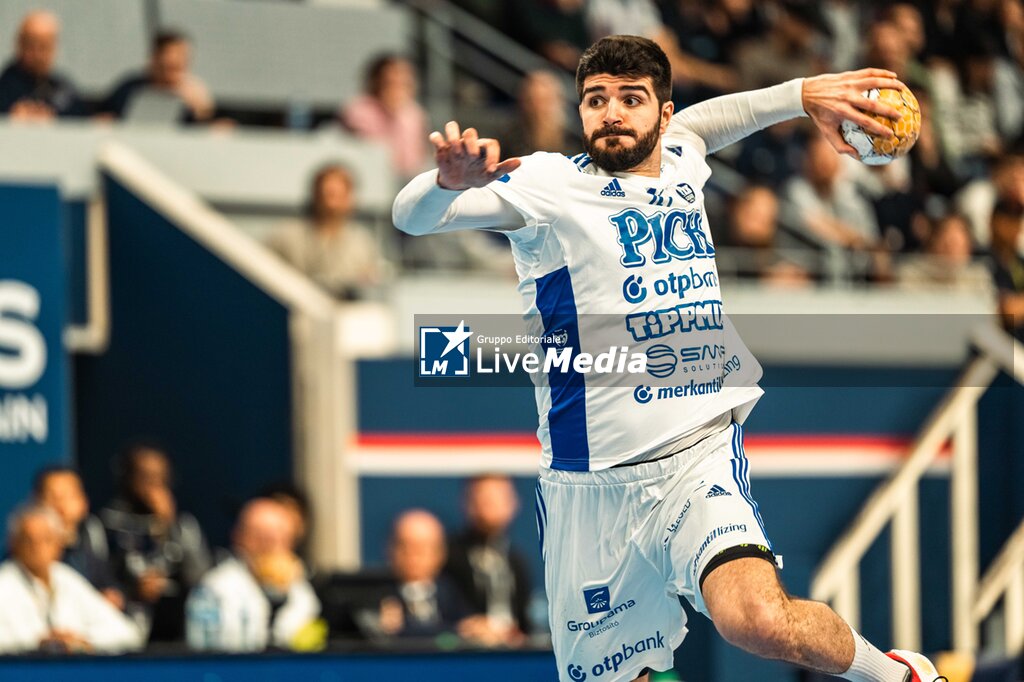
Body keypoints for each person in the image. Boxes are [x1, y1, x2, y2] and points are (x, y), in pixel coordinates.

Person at [393, 34, 944, 682]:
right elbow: (412, 218)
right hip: (587, 488)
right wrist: (443, 182)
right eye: (596, 100)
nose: (613, 113)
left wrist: (802, 95)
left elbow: (714, 120)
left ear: (663, 112)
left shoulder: (683, 155)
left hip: (696, 458)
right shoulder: (547, 183)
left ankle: (902, 675)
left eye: (632, 99)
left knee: (758, 620)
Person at [101, 444, 211, 642]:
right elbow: (100, 582)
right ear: (127, 478)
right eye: (145, 477)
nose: (153, 486)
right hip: (124, 628)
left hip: (178, 629)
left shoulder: (183, 526)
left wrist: (169, 525)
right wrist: (132, 591)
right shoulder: (107, 524)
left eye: (160, 478)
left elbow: (202, 580)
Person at [0, 504, 141, 654]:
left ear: (59, 544)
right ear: (14, 544)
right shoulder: (4, 584)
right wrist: (38, 644)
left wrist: (83, 641)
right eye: (29, 540)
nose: (37, 548)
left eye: (46, 539)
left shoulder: (67, 579)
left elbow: (128, 634)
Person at [186, 498, 320, 652]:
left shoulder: (302, 591)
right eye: (262, 538)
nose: (272, 548)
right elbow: (205, 661)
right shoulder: (215, 589)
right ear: (239, 538)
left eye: (281, 538)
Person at [266, 163, 386, 300]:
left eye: (339, 195)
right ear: (315, 195)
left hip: (344, 313)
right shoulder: (286, 236)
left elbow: (371, 281)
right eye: (327, 194)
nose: (332, 204)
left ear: (350, 198)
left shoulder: (362, 242)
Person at [445, 475, 533, 644]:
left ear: (514, 503)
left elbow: (525, 621)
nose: (488, 505)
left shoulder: (517, 561)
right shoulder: (449, 556)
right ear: (467, 503)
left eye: (498, 498)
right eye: (482, 498)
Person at [362, 510, 469, 639]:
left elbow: (467, 627)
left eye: (422, 548)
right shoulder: (376, 597)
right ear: (389, 549)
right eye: (404, 546)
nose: (412, 555)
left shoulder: (452, 593)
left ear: (441, 553)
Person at [33, 466, 122, 608]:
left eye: (67, 497)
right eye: (52, 497)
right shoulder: (27, 552)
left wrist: (111, 598)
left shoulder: (90, 548)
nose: (60, 506)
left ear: (83, 503)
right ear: (36, 502)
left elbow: (112, 591)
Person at [339, 55, 428, 179]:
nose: (398, 87)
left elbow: (417, 156)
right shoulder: (359, 109)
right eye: (392, 82)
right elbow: (368, 153)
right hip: (368, 180)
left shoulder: (414, 112)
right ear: (378, 81)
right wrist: (391, 113)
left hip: (409, 179)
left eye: (404, 82)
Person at [98, 30, 214, 123]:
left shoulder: (194, 93)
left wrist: (202, 112)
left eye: (183, 57)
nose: (179, 61)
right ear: (155, 59)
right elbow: (106, 117)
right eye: (171, 66)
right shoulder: (130, 88)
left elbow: (202, 128)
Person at [0, 11, 83, 120]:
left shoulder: (64, 90)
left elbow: (83, 122)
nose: (37, 53)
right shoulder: (4, 88)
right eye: (31, 44)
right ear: (19, 44)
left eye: (44, 46)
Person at [989, 199, 1024, 340]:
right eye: (1006, 219)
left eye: (1016, 219)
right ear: (992, 221)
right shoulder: (985, 260)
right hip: (1001, 346)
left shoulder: (1020, 262)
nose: (1012, 227)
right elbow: (1009, 311)